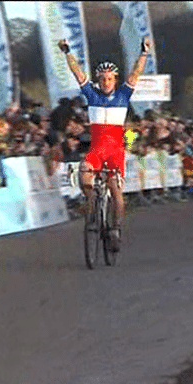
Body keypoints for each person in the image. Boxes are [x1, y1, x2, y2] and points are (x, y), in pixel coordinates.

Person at [59, 36, 152, 251]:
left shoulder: (123, 94)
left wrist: (144, 53)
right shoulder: (91, 94)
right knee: (84, 172)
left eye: (109, 79)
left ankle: (115, 229)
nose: (105, 82)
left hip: (115, 151)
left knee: (115, 190)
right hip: (97, 150)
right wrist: (67, 51)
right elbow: (77, 72)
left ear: (115, 79)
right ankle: (92, 204)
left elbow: (136, 73)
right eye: (102, 79)